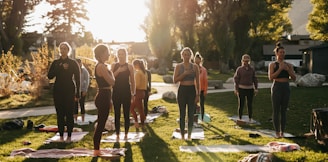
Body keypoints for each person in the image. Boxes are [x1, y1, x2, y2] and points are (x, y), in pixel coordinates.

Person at [47, 42, 80, 143]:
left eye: (65, 48)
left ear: (68, 50)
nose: (63, 50)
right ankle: (61, 136)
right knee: (60, 114)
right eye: (61, 48)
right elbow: (49, 76)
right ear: (59, 50)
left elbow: (78, 78)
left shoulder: (73, 63)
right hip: (58, 90)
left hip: (69, 90)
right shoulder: (56, 63)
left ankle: (69, 136)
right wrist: (60, 68)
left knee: (69, 114)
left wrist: (78, 92)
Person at [268, 42, 296, 138]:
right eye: (281, 52)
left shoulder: (289, 65)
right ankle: (277, 132)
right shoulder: (273, 65)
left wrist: (288, 70)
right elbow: (271, 77)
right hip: (277, 87)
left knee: (283, 111)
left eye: (284, 52)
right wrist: (280, 69)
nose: (282, 54)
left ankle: (282, 132)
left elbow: (294, 78)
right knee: (276, 110)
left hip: (286, 87)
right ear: (277, 53)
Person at [173, 47, 200, 140]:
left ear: (191, 56)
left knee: (191, 114)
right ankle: (182, 135)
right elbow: (175, 80)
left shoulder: (195, 67)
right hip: (182, 90)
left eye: (188, 54)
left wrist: (198, 94)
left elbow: (198, 81)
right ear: (182, 55)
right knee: (182, 113)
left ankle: (189, 135)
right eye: (184, 54)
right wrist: (184, 74)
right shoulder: (178, 66)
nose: (186, 56)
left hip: (192, 90)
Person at [93, 44, 115, 156]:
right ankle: (96, 149)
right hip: (102, 96)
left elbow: (111, 82)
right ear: (101, 53)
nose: (109, 54)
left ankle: (97, 147)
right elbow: (112, 82)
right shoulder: (101, 66)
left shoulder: (104, 66)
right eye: (107, 52)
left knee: (101, 122)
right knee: (101, 123)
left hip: (105, 95)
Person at [111, 47, 135, 141]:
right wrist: (119, 71)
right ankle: (117, 134)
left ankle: (126, 133)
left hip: (126, 91)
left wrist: (133, 93)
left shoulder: (129, 66)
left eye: (122, 54)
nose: (121, 56)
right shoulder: (114, 65)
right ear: (117, 55)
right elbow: (111, 77)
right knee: (117, 113)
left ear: (125, 55)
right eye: (119, 54)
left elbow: (132, 81)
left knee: (126, 113)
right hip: (116, 91)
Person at [233, 54, 258, 122]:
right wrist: (236, 89)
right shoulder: (240, 69)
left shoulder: (252, 69)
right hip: (241, 89)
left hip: (250, 89)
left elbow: (255, 79)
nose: (246, 62)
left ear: (249, 61)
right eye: (244, 61)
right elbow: (236, 79)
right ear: (242, 61)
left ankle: (250, 118)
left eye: (247, 61)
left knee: (249, 104)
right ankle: (240, 118)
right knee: (241, 104)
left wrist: (256, 88)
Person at [130, 59, 148, 128]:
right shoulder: (144, 72)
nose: (133, 67)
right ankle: (141, 123)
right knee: (139, 108)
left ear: (137, 65)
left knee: (133, 109)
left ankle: (138, 122)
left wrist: (131, 89)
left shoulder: (138, 73)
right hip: (142, 91)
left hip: (137, 92)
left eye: (134, 65)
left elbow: (136, 85)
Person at [74, 58, 90, 123]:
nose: (78, 65)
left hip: (82, 90)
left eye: (79, 63)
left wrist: (85, 90)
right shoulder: (73, 71)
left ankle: (83, 120)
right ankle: (75, 120)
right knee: (75, 105)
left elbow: (87, 81)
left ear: (81, 64)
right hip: (75, 90)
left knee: (82, 104)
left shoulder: (84, 71)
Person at [194, 52, 208, 122]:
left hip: (202, 90)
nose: (197, 61)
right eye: (196, 60)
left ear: (200, 60)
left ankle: (202, 118)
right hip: (193, 90)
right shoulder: (192, 68)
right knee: (193, 104)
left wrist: (205, 90)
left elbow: (205, 81)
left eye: (198, 60)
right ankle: (193, 119)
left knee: (202, 104)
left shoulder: (204, 70)